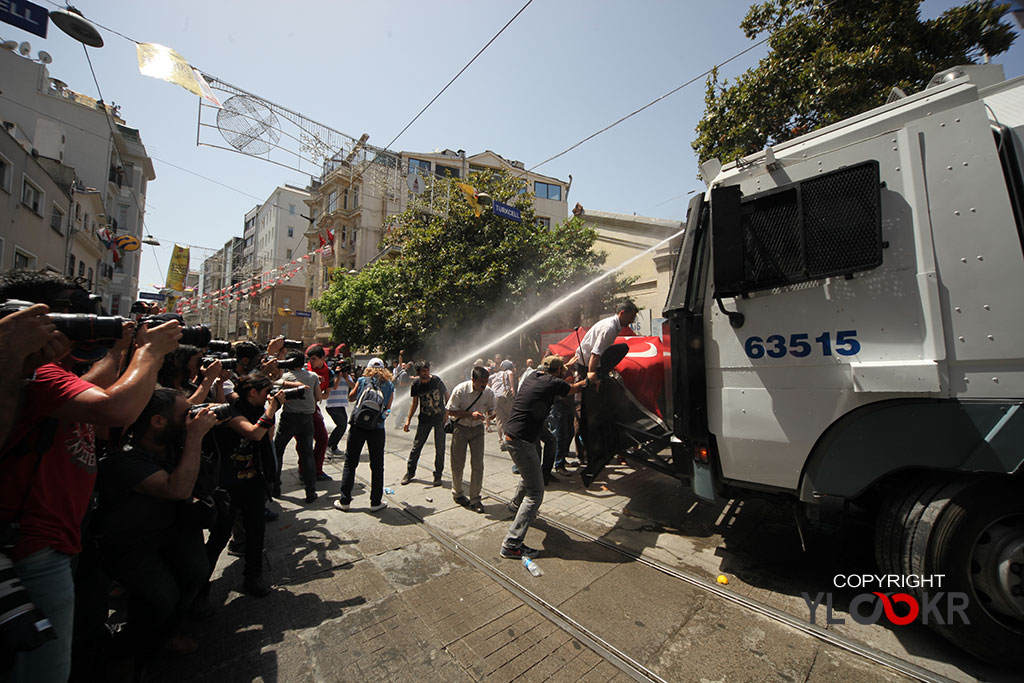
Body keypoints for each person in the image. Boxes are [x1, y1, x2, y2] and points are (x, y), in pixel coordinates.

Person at [0, 270, 182, 683]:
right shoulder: (27, 370)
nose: (86, 319)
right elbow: (113, 410)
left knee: (81, 637)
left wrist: (118, 352)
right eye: (72, 311)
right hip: (32, 546)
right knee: (43, 670)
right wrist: (149, 354)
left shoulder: (47, 369)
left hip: (66, 537)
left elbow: (87, 393)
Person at [95, 390, 219, 657]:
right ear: (158, 421)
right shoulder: (124, 458)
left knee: (197, 571)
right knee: (161, 597)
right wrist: (196, 437)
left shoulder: (174, 441)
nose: (192, 417)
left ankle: (167, 633)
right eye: (185, 413)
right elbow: (177, 489)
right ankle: (131, 648)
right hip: (135, 542)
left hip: (175, 529)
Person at [204, 373, 286, 597]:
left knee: (256, 531)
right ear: (253, 392)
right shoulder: (230, 411)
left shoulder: (258, 410)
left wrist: (270, 412)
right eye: (266, 392)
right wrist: (271, 410)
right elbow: (254, 433)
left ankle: (253, 577)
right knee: (220, 535)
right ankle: (199, 589)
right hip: (228, 484)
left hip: (252, 480)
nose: (270, 396)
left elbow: (267, 437)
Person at [500, 356, 587, 558]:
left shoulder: (532, 376)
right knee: (536, 493)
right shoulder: (552, 382)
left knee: (529, 474)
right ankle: (512, 543)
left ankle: (514, 506)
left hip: (515, 434)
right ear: (557, 371)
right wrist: (591, 379)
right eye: (561, 371)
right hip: (522, 440)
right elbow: (574, 388)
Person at [333, 358, 394, 512]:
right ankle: (375, 503)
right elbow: (387, 408)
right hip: (377, 428)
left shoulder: (362, 380)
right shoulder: (389, 385)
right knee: (377, 465)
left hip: (357, 426)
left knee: (350, 463)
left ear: (368, 368)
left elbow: (351, 397)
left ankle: (344, 501)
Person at [272, 351, 323, 503]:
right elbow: (319, 398)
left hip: (289, 417)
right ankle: (310, 491)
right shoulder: (313, 376)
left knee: (278, 451)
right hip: (307, 419)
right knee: (307, 453)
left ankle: (275, 487)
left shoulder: (284, 378)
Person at [445, 366, 496, 513]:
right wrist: (470, 415)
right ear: (473, 380)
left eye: (486, 381)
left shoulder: (488, 392)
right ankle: (458, 493)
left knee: (478, 465)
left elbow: (491, 408)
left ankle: (475, 499)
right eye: (481, 381)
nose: (484, 385)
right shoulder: (460, 390)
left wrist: (491, 413)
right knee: (457, 463)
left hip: (478, 430)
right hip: (461, 428)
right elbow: (450, 411)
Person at [401, 361, 449, 486]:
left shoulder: (437, 381)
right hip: (424, 420)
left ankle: (438, 475)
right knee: (416, 446)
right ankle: (410, 473)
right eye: (423, 371)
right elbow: (414, 403)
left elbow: (447, 396)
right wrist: (408, 419)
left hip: (439, 419)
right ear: (418, 372)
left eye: (427, 370)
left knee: (440, 447)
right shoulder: (416, 384)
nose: (426, 373)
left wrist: (447, 413)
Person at [573, 301, 639, 384]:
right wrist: (591, 373)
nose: (632, 321)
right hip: (586, 363)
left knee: (623, 347)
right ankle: (600, 373)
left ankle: (602, 372)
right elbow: (595, 353)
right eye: (631, 317)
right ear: (622, 313)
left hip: (592, 359)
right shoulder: (610, 328)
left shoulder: (616, 325)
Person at [304, 344, 332, 481]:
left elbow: (327, 394)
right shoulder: (305, 370)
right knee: (304, 442)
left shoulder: (329, 373)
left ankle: (317, 470)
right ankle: (303, 470)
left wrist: (317, 395)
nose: (311, 362)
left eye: (314, 359)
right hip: (301, 409)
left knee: (322, 438)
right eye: (310, 359)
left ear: (323, 358)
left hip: (314, 408)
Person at [326, 356, 355, 456]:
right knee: (341, 425)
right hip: (332, 405)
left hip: (341, 404)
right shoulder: (332, 376)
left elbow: (353, 386)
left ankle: (333, 446)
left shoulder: (347, 376)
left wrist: (346, 377)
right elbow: (334, 387)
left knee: (343, 425)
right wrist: (338, 376)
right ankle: (328, 445)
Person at [488, 359, 516, 447]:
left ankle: (501, 440)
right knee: (509, 417)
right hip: (505, 397)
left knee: (499, 419)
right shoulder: (508, 372)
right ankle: (508, 439)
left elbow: (488, 384)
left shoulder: (495, 375)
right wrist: (512, 387)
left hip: (495, 398)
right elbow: (510, 374)